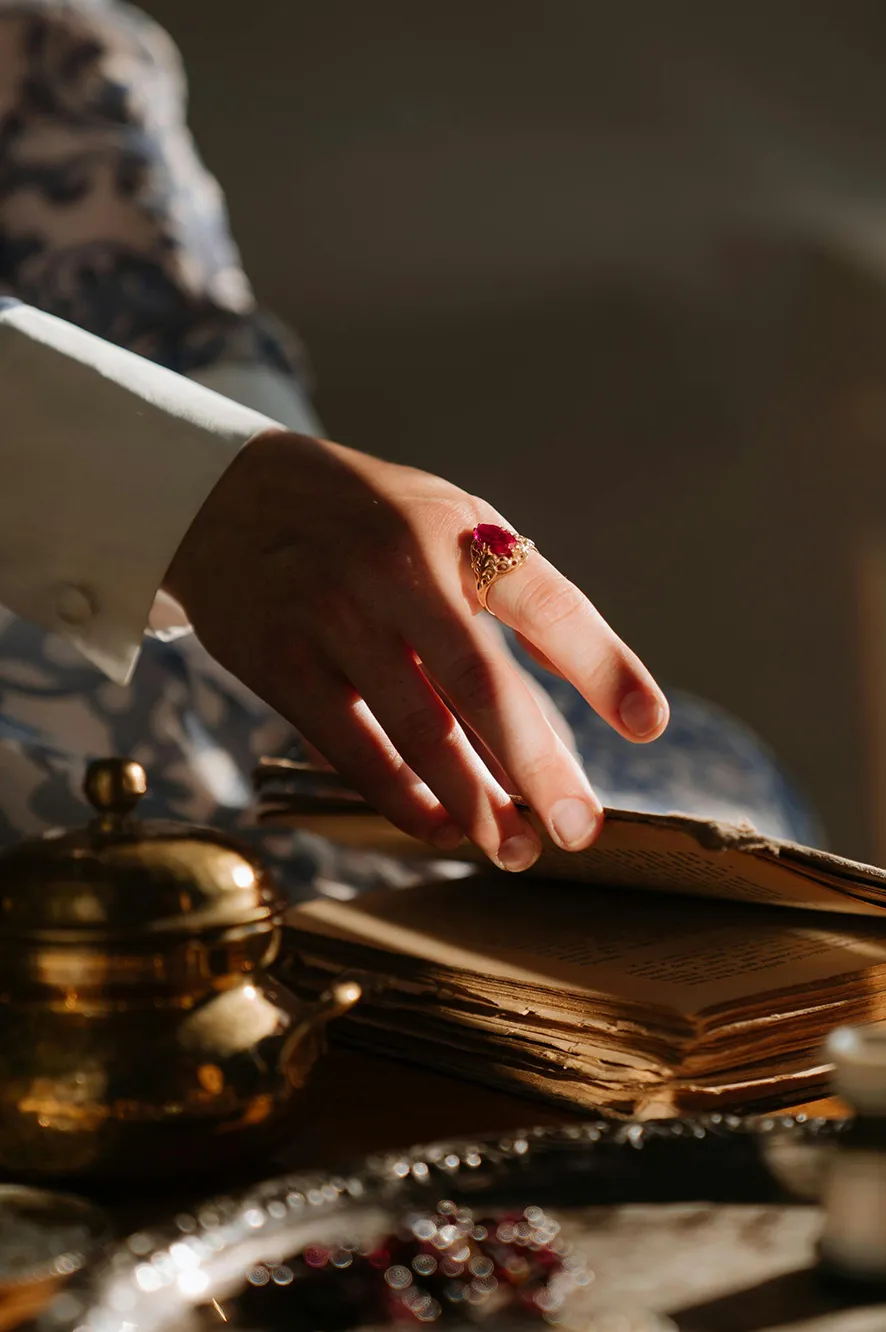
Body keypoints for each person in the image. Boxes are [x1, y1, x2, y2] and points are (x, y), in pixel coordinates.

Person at [0, 0, 819, 887]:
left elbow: (189, 333)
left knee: (728, 806)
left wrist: (360, 584)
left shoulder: (60, 47)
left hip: (239, 668)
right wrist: (211, 501)